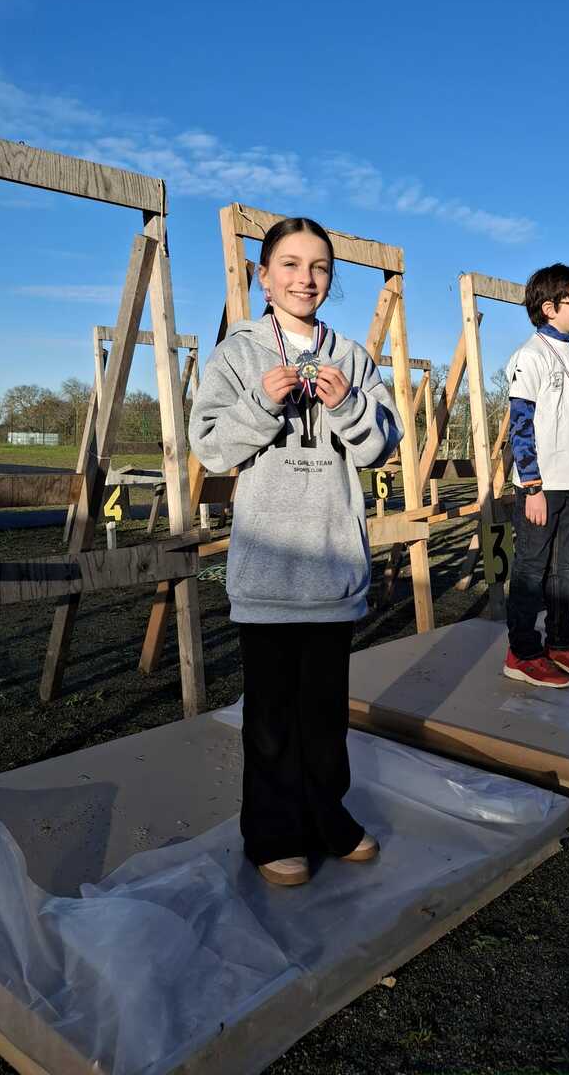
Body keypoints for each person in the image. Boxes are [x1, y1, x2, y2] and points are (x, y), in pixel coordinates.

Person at [189, 217, 403, 887]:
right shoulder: (238, 353)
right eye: (289, 264)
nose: (304, 278)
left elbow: (381, 445)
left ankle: (326, 818)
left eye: (318, 267)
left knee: (325, 714)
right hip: (268, 566)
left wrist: (349, 407)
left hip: (332, 562)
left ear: (330, 279)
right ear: (263, 276)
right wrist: (261, 401)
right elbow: (210, 447)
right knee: (271, 719)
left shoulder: (353, 357)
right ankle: (274, 833)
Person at [503, 263, 569, 689]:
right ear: (549, 307)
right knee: (531, 568)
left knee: (565, 569)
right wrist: (532, 486)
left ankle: (561, 644)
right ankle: (522, 651)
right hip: (540, 486)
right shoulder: (531, 355)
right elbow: (520, 424)